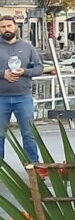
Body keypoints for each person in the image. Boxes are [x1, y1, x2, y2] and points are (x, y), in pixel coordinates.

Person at [0, 15, 43, 162]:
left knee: (29, 134)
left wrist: (25, 72)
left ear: (15, 27)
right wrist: (3, 74)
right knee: (0, 135)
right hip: (1, 98)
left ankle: (34, 167)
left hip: (23, 97)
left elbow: (39, 68)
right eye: (3, 27)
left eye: (9, 26)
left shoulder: (27, 47)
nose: (6, 29)